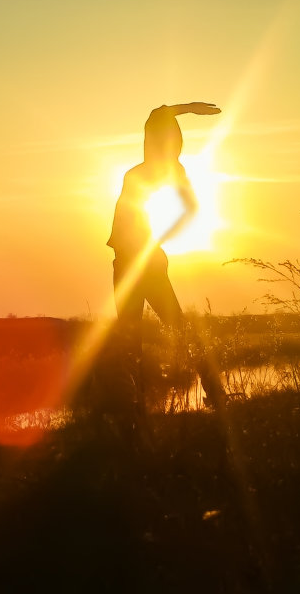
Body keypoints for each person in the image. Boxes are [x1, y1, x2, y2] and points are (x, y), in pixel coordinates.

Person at [107, 102, 225, 408]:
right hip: (129, 263)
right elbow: (156, 117)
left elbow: (192, 210)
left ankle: (216, 394)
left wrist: (156, 241)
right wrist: (188, 108)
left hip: (141, 264)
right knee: (134, 339)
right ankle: (134, 407)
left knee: (167, 333)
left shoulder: (164, 171)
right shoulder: (148, 172)